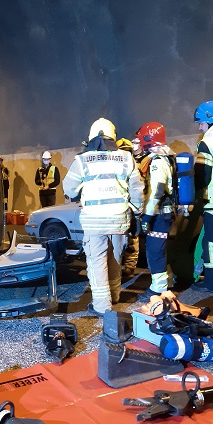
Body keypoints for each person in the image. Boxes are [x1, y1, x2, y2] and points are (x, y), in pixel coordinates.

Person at [63, 118, 144, 316]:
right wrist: (138, 211)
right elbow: (137, 190)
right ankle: (114, 295)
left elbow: (69, 189)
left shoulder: (82, 160)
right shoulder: (126, 158)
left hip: (94, 221)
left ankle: (102, 306)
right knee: (115, 258)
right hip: (119, 220)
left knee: (97, 262)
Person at [132, 122, 176, 301]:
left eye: (140, 140)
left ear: (148, 138)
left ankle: (158, 289)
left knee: (154, 250)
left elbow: (157, 191)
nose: (138, 144)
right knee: (160, 249)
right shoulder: (167, 156)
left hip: (159, 214)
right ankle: (168, 282)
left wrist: (147, 216)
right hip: (164, 213)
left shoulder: (158, 161)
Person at [191, 101, 213, 293]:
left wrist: (194, 196)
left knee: (211, 244)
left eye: (201, 123)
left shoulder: (208, 142)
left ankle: (211, 281)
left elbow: (202, 175)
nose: (200, 127)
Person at [116, 138, 141, 277]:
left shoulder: (134, 165)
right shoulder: (131, 165)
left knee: (131, 238)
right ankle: (121, 266)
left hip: (128, 206)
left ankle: (129, 267)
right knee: (123, 238)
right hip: (123, 206)